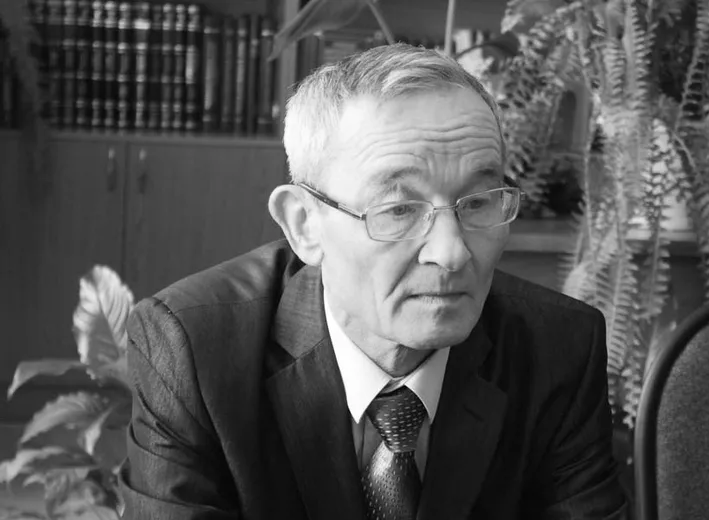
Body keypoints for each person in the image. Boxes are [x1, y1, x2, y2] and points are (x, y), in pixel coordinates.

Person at [118, 43, 627, 520]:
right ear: (304, 224)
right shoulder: (194, 350)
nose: (451, 253)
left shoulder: (558, 348)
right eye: (399, 209)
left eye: (476, 203)